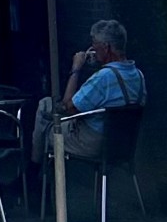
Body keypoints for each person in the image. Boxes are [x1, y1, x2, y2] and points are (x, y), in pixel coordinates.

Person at [34, 19, 146, 165]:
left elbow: (68, 107)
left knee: (45, 114)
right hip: (123, 144)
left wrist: (76, 68)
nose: (92, 47)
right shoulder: (138, 75)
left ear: (106, 47)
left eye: (94, 43)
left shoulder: (104, 77)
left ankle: (34, 169)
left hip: (93, 142)